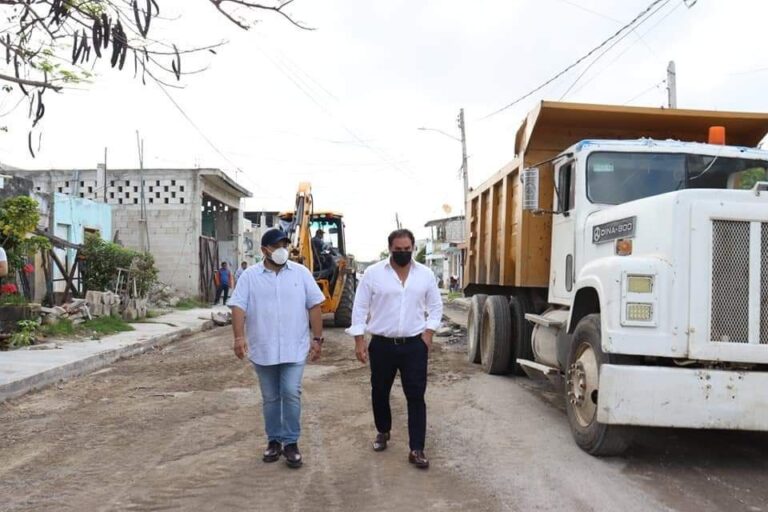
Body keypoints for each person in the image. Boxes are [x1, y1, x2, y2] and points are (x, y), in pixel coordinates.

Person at [229, 228, 326, 469]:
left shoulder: (301, 274)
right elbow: (238, 307)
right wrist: (239, 338)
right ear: (264, 250)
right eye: (277, 245)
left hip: (295, 348)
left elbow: (315, 306)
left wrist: (318, 339)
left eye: (285, 244)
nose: (282, 249)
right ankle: (274, 441)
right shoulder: (250, 276)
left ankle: (291, 443)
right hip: (263, 349)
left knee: (291, 392)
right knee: (271, 398)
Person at [346, 228, 443, 469]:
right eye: (398, 250)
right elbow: (359, 307)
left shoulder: (425, 275)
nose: (402, 253)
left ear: (413, 249)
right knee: (379, 391)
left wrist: (428, 333)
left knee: (416, 396)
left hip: (414, 345)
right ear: (390, 248)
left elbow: (436, 306)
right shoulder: (373, 274)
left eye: (407, 250)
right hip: (382, 344)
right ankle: (383, 431)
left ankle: (416, 448)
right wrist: (359, 339)